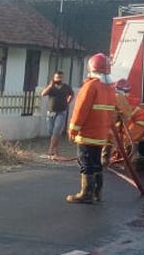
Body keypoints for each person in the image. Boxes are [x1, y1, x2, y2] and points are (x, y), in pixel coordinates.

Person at [66, 53, 117, 204]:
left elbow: (80, 110)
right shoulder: (109, 89)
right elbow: (111, 113)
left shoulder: (90, 86)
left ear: (91, 68)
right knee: (96, 163)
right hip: (101, 134)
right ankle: (97, 193)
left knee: (85, 162)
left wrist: (72, 130)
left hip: (87, 133)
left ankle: (86, 194)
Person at [40, 70, 74, 159]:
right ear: (54, 78)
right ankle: (56, 150)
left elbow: (71, 94)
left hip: (61, 111)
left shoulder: (66, 87)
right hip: (51, 111)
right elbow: (43, 94)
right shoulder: (51, 87)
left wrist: (68, 102)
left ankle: (50, 150)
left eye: (60, 77)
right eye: (57, 77)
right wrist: (50, 86)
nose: (59, 79)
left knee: (56, 130)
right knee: (51, 131)